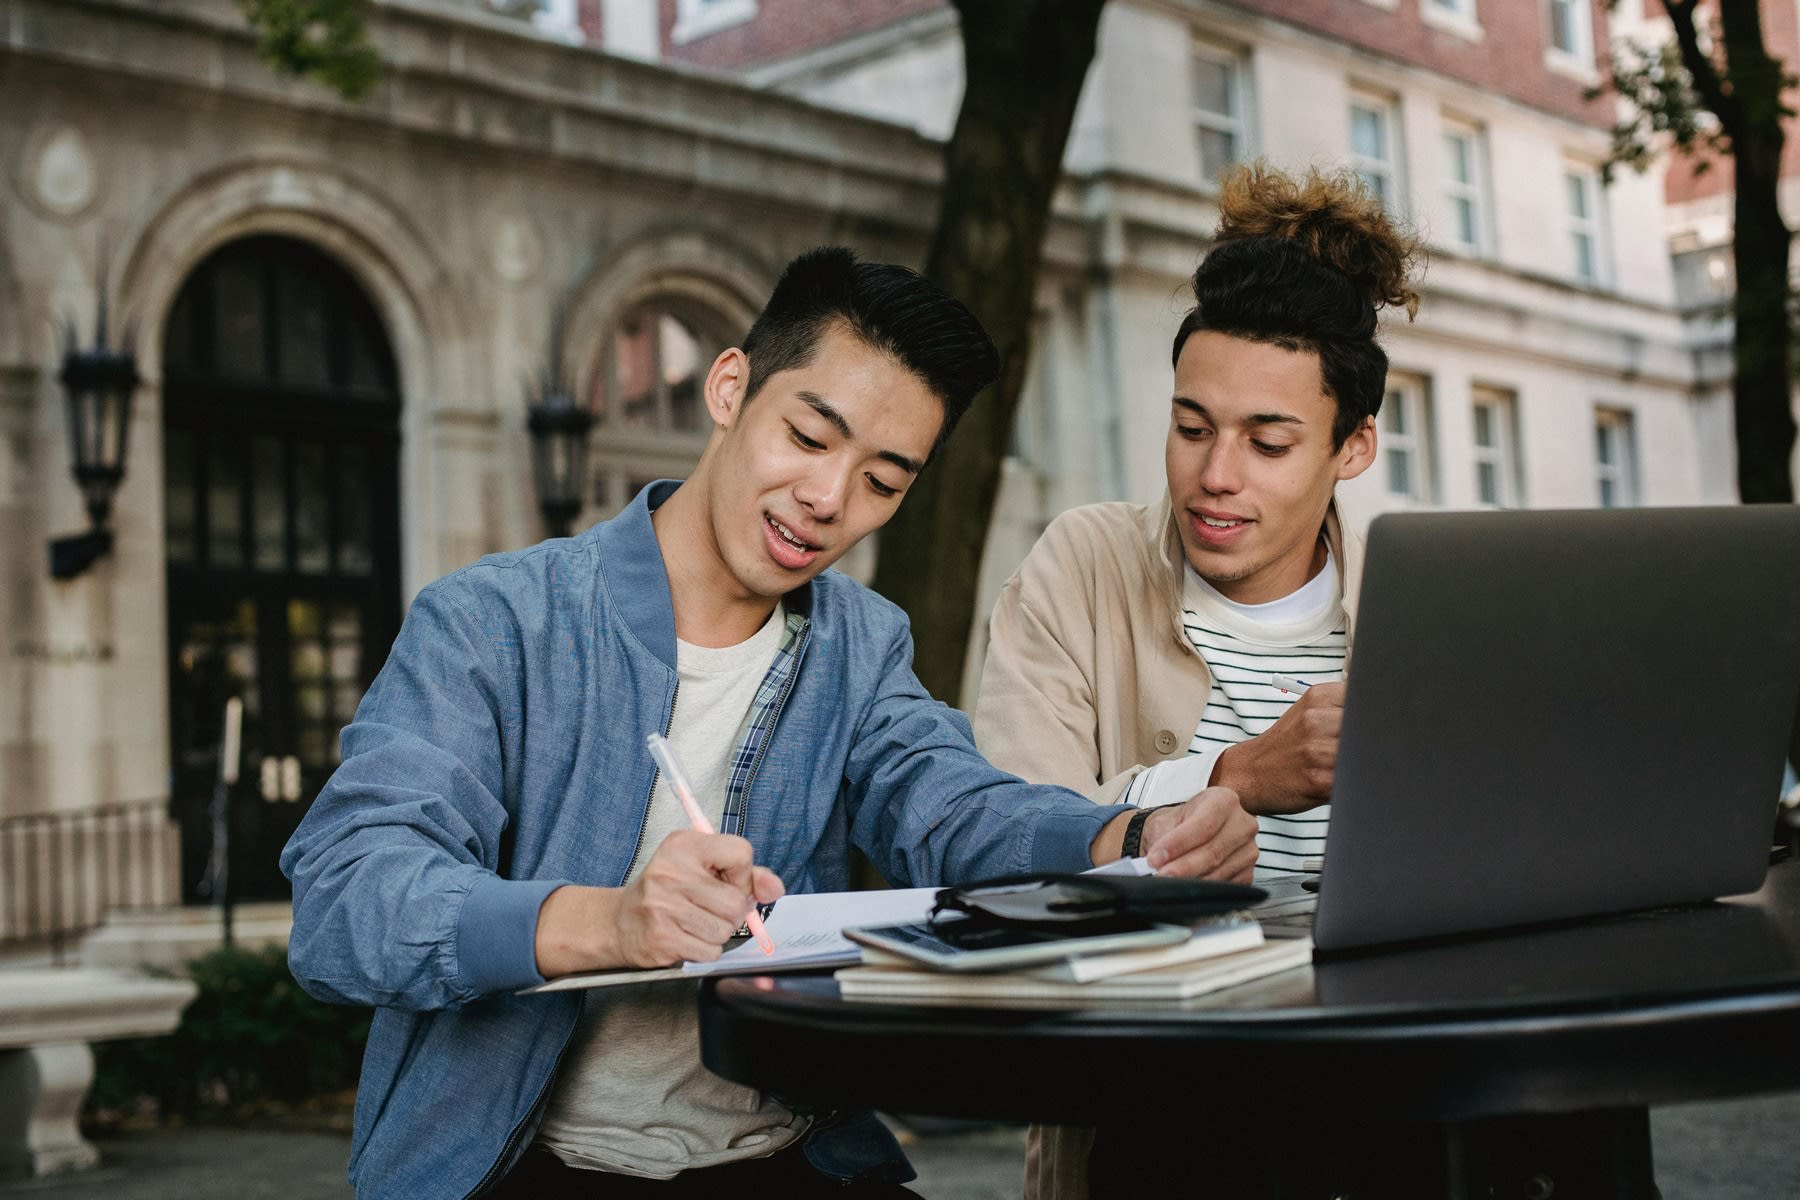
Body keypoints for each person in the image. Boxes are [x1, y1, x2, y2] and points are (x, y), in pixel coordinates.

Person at [281, 246, 1259, 1200]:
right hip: (527, 1166)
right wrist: (610, 922)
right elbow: (345, 902)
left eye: (882, 481)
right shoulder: (497, 622)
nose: (828, 499)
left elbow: (953, 806)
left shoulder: (860, 645)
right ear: (730, 386)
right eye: (809, 435)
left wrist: (1128, 835)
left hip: (790, 1157)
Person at [972, 163, 1421, 1199]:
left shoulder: (1419, 610)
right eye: (1190, 426)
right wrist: (1233, 775)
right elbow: (999, 839)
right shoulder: (1084, 566)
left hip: (1388, 1081)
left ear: (1352, 448)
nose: (1215, 475)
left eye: (1268, 442)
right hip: (1155, 1103)